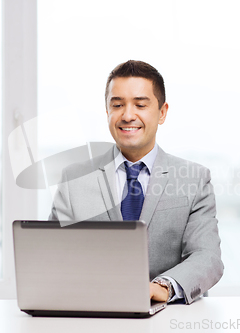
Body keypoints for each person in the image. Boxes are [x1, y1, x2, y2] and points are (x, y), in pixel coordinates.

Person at [49, 60, 223, 304]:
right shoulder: (74, 179)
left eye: (140, 104)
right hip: (92, 312)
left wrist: (162, 287)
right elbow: (53, 255)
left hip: (166, 314)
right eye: (117, 105)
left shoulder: (194, 179)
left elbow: (208, 256)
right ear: (107, 111)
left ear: (162, 112)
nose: (128, 115)